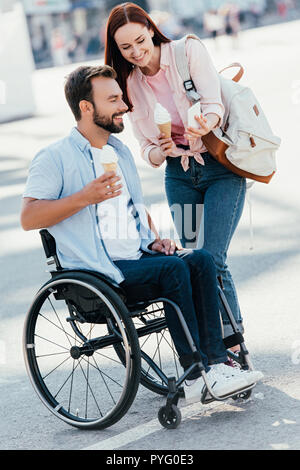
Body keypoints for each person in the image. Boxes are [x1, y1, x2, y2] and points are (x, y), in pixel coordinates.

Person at [20, 65, 263, 403]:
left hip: (137, 256)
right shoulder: (54, 157)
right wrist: (84, 197)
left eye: (121, 97)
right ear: (86, 108)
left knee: (201, 259)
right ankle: (196, 373)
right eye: (113, 99)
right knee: (174, 269)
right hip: (97, 269)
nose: (124, 106)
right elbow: (29, 217)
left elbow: (134, 207)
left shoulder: (118, 152)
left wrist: (153, 238)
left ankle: (218, 363)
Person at [104, 2, 246, 353]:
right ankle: (220, 346)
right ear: (118, 50)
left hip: (218, 166)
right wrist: (162, 150)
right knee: (198, 262)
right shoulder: (131, 84)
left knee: (213, 258)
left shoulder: (187, 51)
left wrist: (204, 122)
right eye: (126, 47)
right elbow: (145, 149)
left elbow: (215, 105)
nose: (136, 52)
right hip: (178, 176)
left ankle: (229, 345)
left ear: (150, 29)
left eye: (140, 40)